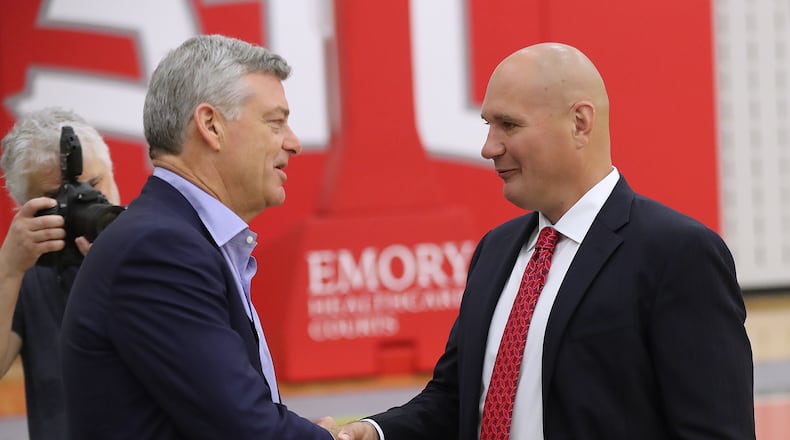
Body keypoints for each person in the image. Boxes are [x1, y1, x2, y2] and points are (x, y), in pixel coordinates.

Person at [338, 42, 755, 440]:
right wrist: (375, 432)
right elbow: (456, 401)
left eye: (509, 125)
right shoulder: (494, 252)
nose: (488, 147)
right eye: (488, 125)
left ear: (580, 123)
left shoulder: (678, 254)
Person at [60, 34, 339, 439]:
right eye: (275, 122)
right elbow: (245, 428)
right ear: (211, 126)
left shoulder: (177, 239)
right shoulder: (159, 250)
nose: (293, 143)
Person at [0, 107, 121, 440]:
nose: (91, 203)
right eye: (60, 199)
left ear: (113, 172)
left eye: (95, 184)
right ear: (26, 208)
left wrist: (124, 277)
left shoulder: (162, 250)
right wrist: (8, 268)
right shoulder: (27, 273)